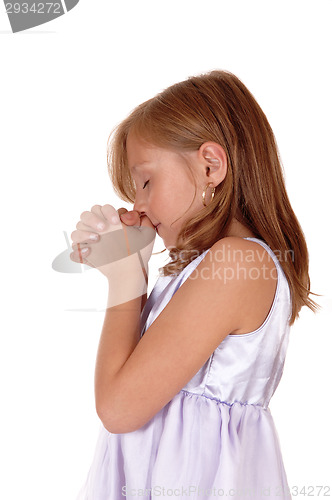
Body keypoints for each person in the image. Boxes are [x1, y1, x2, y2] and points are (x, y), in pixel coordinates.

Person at [70, 70, 320, 499]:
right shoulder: (202, 269)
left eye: (146, 181)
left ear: (211, 165)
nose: (138, 204)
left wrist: (126, 277)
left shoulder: (238, 262)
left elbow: (118, 408)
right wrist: (133, 266)